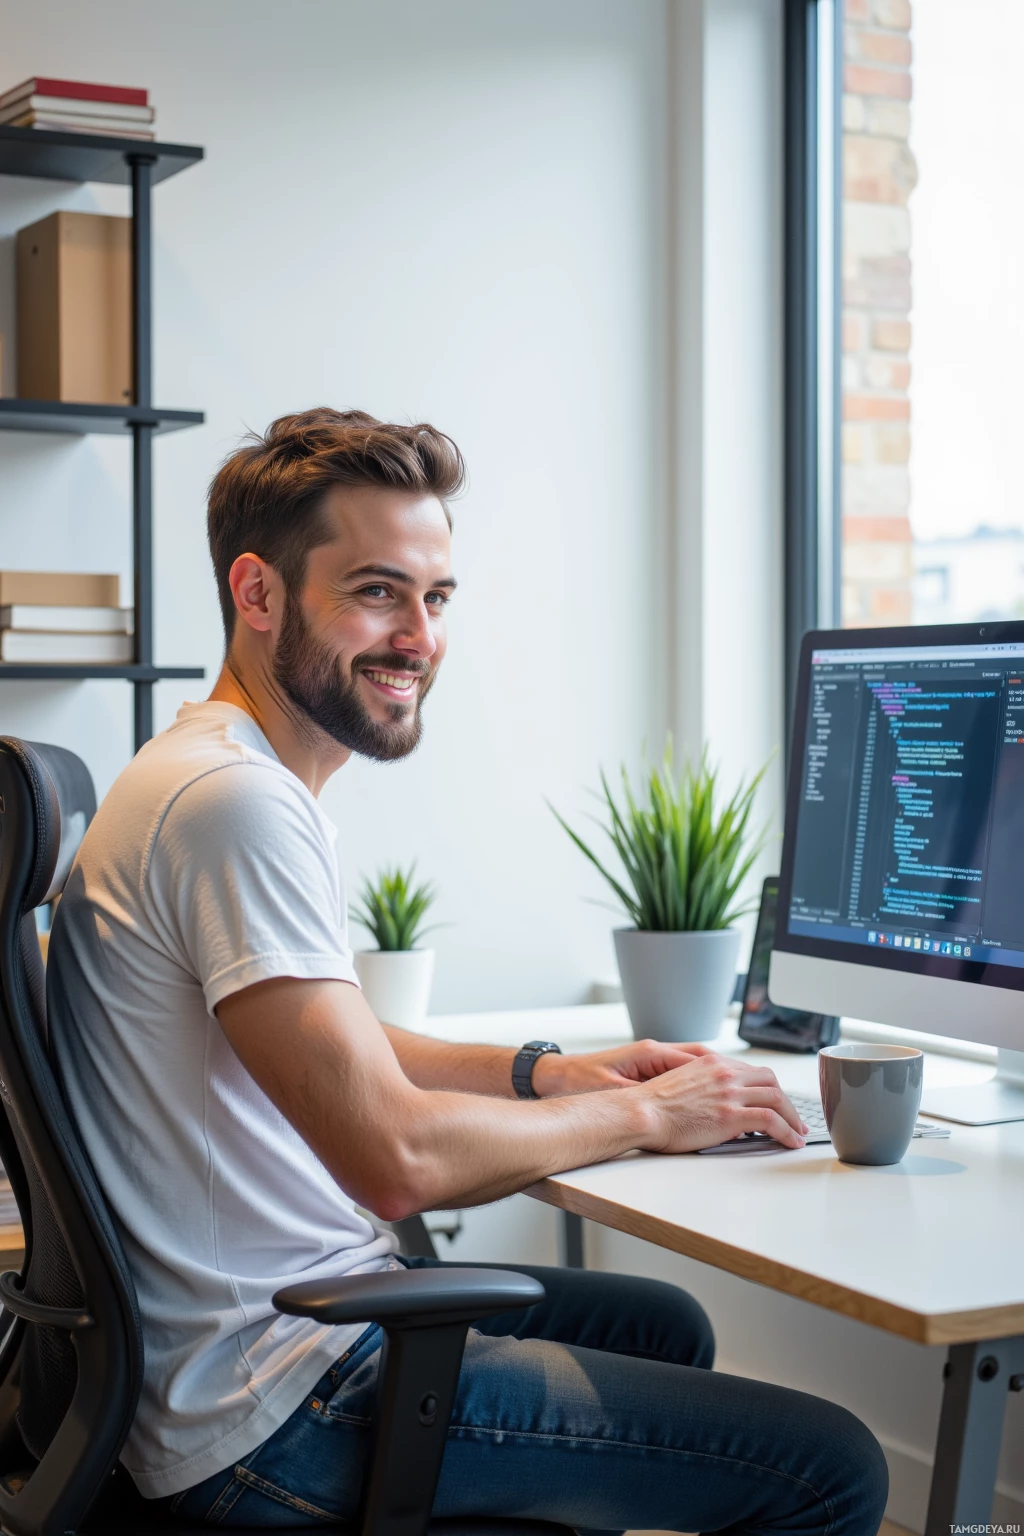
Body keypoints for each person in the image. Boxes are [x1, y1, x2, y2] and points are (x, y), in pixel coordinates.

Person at [48, 408, 889, 1533]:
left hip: (239, 1349)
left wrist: (553, 1075)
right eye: (377, 592)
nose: (419, 639)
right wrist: (652, 1114)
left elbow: (341, 1047)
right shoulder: (235, 804)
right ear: (258, 594)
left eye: (435, 599)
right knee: (832, 1466)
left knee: (660, 1325)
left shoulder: (206, 768)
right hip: (275, 1398)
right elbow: (392, 1159)